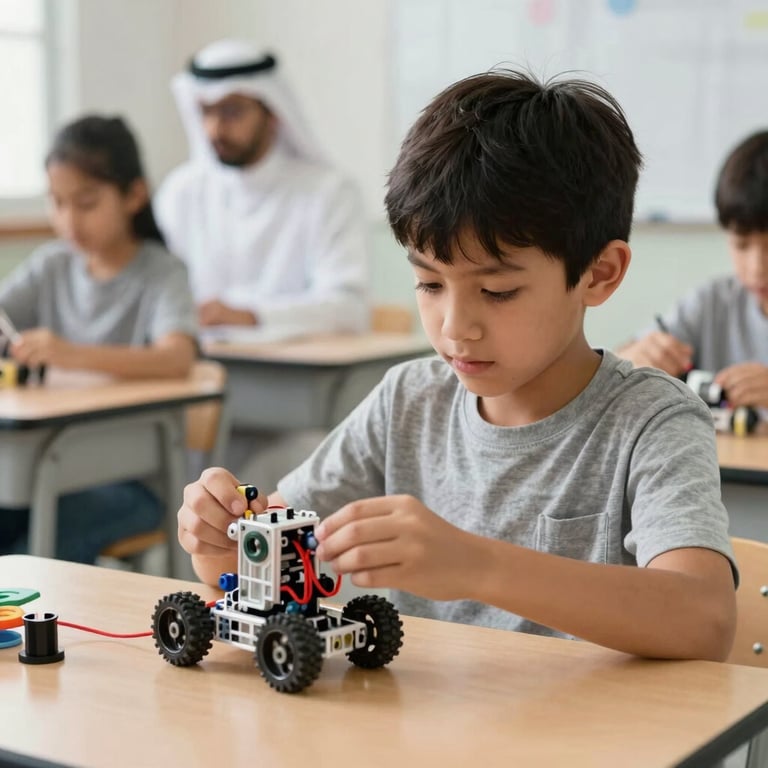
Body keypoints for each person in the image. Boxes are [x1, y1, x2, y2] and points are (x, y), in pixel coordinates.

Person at [177, 70, 737, 661]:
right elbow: (267, 559)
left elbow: (703, 619)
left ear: (598, 274)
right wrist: (220, 542)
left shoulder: (652, 422)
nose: (453, 326)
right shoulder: (407, 401)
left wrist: (479, 565)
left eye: (497, 292)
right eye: (428, 283)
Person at [0, 115, 198, 564]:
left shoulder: (161, 274)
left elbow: (176, 358)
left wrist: (68, 353)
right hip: (49, 467)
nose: (69, 220)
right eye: (57, 202)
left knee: (29, 557)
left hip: (137, 482)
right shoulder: (51, 265)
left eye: (86, 203)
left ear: (133, 195)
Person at [154, 38, 370, 334]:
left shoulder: (329, 192)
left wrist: (248, 316)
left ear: (272, 113)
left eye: (232, 112)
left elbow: (349, 310)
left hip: (299, 373)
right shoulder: (181, 192)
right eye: (206, 112)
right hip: (198, 368)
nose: (215, 129)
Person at [617, 131, 768, 408]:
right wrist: (637, 356)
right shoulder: (713, 303)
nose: (758, 268)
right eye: (742, 245)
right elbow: (613, 370)